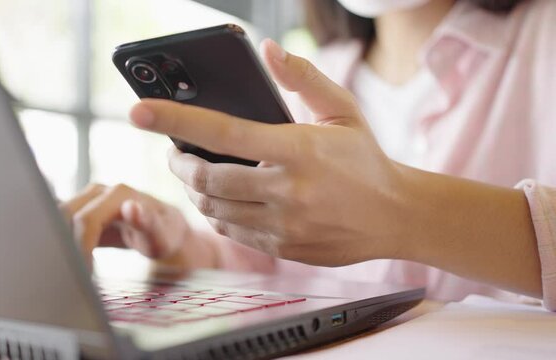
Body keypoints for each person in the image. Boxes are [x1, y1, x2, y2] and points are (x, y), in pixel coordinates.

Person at [62, 0, 556, 310]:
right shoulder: (314, 83)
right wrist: (182, 249)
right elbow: (278, 268)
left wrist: (399, 209)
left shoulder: (544, 39)